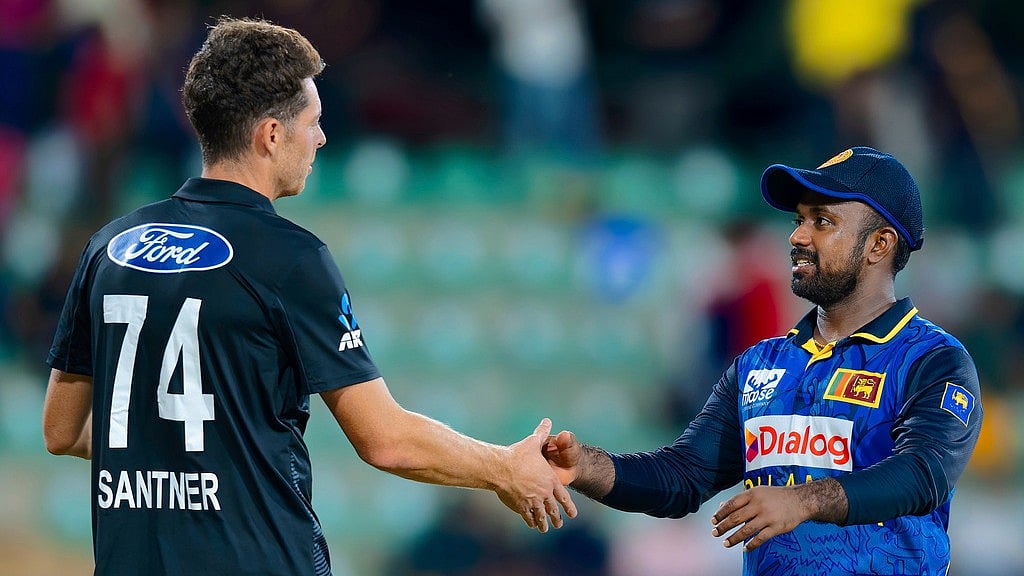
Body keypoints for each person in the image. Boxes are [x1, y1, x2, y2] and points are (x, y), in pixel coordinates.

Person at [41, 17, 575, 576]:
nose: (320, 138)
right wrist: (502, 468)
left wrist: (172, 458)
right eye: (312, 122)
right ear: (271, 134)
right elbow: (385, 440)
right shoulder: (290, 258)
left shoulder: (109, 247)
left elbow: (61, 430)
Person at [544, 146, 982, 576]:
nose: (797, 236)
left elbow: (924, 473)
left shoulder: (933, 359)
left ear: (879, 245)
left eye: (822, 221)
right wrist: (584, 466)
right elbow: (682, 477)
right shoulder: (759, 364)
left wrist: (803, 500)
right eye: (799, 220)